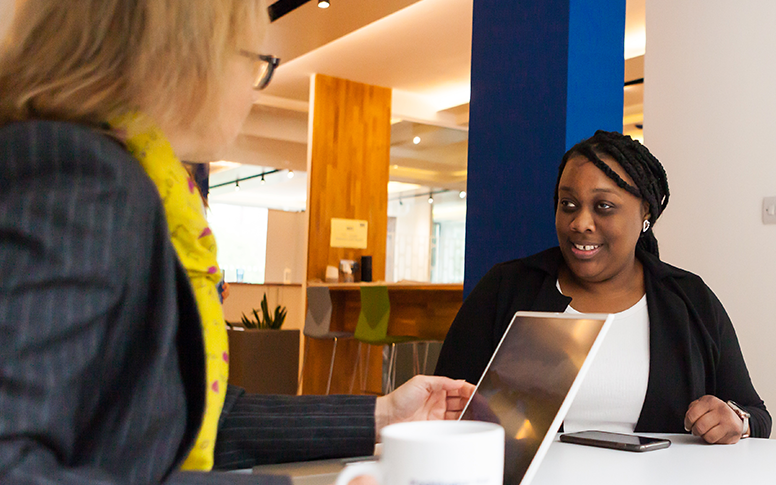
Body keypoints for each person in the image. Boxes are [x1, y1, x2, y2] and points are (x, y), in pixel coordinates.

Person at [0, 1, 472, 483]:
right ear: (188, 56)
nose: (252, 88)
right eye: (255, 60)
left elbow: (188, 420)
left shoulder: (118, 177)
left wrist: (383, 414)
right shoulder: (82, 178)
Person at [435, 130, 771, 444]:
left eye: (603, 207)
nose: (580, 223)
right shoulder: (506, 288)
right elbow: (444, 405)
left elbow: (757, 416)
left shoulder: (689, 298)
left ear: (645, 214)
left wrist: (736, 421)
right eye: (568, 205)